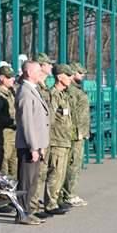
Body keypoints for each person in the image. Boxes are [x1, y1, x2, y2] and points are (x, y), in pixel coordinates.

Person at [15, 60, 49, 226]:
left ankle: (28, 211)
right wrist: (33, 147)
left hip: (36, 145)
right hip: (29, 146)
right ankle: (22, 213)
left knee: (33, 182)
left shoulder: (33, 90)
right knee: (26, 181)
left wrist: (41, 145)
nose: (40, 74)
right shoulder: (25, 92)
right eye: (37, 71)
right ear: (28, 72)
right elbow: (27, 123)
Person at [39, 64, 75, 219]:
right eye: (67, 76)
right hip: (56, 140)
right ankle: (50, 203)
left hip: (65, 139)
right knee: (55, 172)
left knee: (60, 173)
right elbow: (50, 120)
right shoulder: (53, 95)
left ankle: (56, 199)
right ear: (60, 77)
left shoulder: (63, 95)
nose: (70, 79)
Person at [29, 52, 54, 216]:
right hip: (36, 136)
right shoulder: (33, 87)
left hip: (46, 133)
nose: (51, 66)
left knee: (43, 171)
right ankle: (32, 205)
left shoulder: (44, 86)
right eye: (48, 64)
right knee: (35, 174)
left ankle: (37, 203)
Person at [63, 62, 89, 207]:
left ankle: (67, 193)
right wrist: (78, 132)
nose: (82, 75)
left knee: (74, 164)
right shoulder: (71, 91)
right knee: (72, 164)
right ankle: (68, 194)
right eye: (80, 73)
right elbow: (72, 114)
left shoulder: (77, 90)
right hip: (74, 133)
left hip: (80, 132)